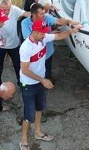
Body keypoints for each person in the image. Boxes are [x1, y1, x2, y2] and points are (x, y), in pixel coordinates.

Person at [18, 20, 80, 149]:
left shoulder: (43, 38)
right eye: (42, 33)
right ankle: (23, 139)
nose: (44, 35)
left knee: (40, 108)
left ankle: (38, 132)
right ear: (34, 32)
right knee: (29, 114)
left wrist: (71, 31)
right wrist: (43, 80)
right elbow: (24, 70)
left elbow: (58, 36)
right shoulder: (26, 47)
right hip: (28, 84)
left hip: (40, 82)